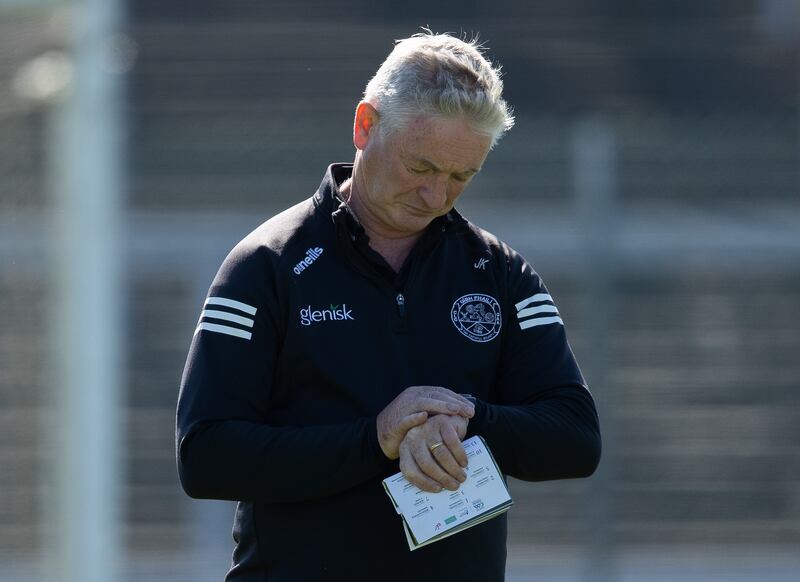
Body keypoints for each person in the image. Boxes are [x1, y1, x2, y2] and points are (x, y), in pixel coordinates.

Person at [176, 31, 600, 581]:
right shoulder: (267, 265)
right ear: (365, 125)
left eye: (460, 177)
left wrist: (464, 420)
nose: (436, 196)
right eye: (421, 168)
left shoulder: (498, 271)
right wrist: (377, 438)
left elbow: (575, 438)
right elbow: (206, 455)